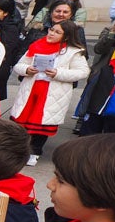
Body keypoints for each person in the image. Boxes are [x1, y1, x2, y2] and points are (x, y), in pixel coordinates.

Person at [8, 21, 88, 166]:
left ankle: (35, 151)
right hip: (31, 89)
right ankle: (18, 150)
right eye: (52, 30)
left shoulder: (73, 51)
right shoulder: (37, 45)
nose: (52, 33)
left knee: (42, 122)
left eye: (58, 32)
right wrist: (27, 70)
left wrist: (58, 73)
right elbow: (20, 64)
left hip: (52, 92)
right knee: (23, 121)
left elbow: (82, 71)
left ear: (66, 36)